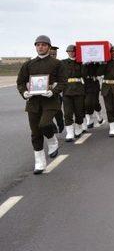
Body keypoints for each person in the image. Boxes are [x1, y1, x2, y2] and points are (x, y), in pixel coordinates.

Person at [16, 35, 66, 174]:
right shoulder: (29, 64)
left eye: (44, 45)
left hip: (50, 101)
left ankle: (52, 140)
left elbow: (63, 82)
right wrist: (24, 92)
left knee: (44, 124)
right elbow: (20, 82)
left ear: (49, 47)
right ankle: (40, 162)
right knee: (35, 133)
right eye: (38, 45)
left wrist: (54, 91)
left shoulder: (57, 64)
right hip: (33, 102)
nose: (40, 47)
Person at [60, 45, 87, 141]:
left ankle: (79, 127)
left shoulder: (81, 62)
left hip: (78, 89)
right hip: (67, 90)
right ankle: (70, 132)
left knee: (79, 111)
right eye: (69, 51)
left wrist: (83, 64)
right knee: (67, 113)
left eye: (73, 51)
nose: (71, 52)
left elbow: (84, 75)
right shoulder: (62, 63)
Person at [83, 62, 104, 128]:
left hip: (94, 83)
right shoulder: (81, 62)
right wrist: (84, 64)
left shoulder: (96, 61)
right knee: (86, 103)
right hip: (84, 83)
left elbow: (99, 72)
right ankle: (90, 119)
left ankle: (99, 114)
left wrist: (100, 63)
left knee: (95, 102)